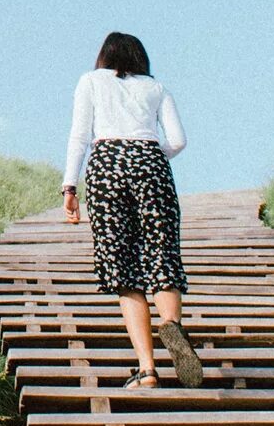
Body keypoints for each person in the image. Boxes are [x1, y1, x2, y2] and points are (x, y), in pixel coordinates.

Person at [60, 30, 195, 389]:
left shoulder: (91, 81)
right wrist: (151, 156)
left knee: (123, 267)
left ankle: (147, 369)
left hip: (107, 163)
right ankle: (170, 323)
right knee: (161, 251)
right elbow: (179, 140)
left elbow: (79, 136)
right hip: (151, 163)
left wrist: (70, 187)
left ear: (105, 56)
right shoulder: (156, 88)